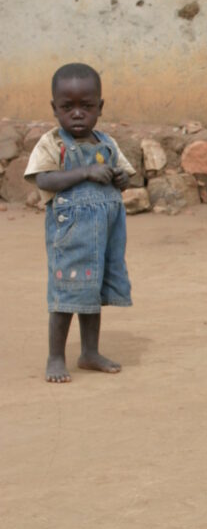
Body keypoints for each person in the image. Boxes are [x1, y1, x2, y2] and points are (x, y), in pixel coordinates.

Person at [25, 63, 133, 383]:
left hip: (104, 234)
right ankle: (56, 356)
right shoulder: (51, 144)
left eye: (86, 106)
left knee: (91, 292)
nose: (76, 114)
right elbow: (42, 178)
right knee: (65, 293)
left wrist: (121, 178)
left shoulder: (107, 144)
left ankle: (89, 352)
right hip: (69, 235)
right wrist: (84, 173)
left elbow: (124, 175)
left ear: (99, 107)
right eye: (66, 107)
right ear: (54, 108)